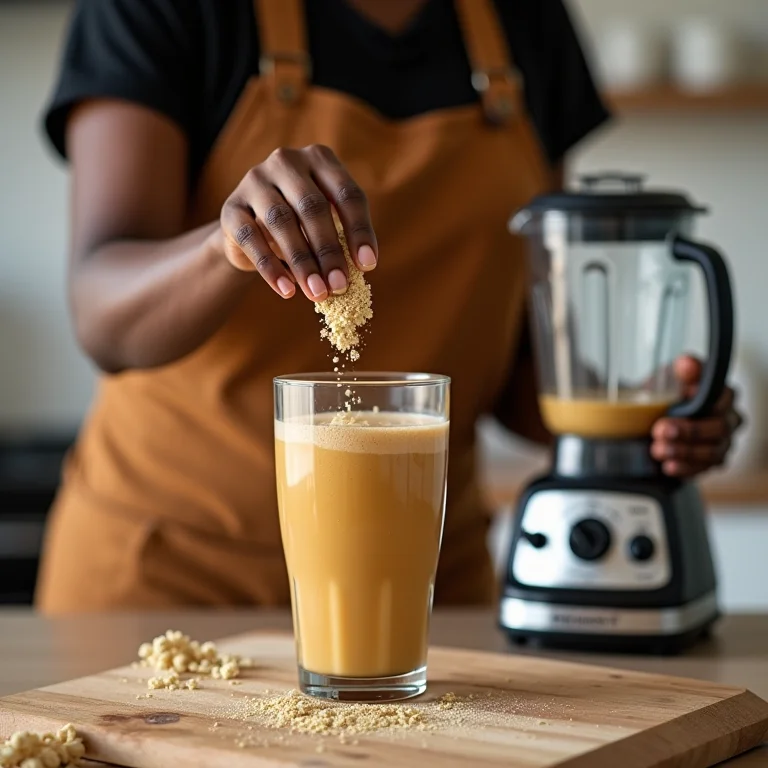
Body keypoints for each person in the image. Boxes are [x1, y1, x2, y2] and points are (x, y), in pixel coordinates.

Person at [37, 0, 742, 613]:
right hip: (173, 579)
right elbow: (103, 318)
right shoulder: (166, 10)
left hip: (424, 583)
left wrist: (641, 419)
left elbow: (520, 376)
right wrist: (226, 247)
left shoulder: (523, 19)